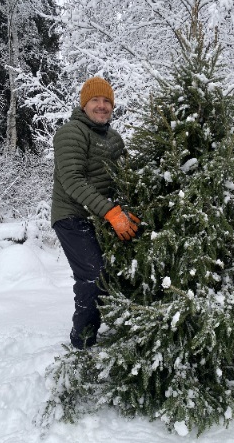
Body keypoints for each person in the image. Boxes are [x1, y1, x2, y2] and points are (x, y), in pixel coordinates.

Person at [50, 76, 141, 350]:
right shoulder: (71, 132)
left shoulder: (113, 137)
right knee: (93, 275)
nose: (101, 106)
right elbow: (73, 180)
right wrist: (112, 213)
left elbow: (127, 175)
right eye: (95, 101)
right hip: (71, 216)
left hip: (100, 215)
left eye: (106, 101)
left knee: (113, 273)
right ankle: (82, 343)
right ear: (84, 104)